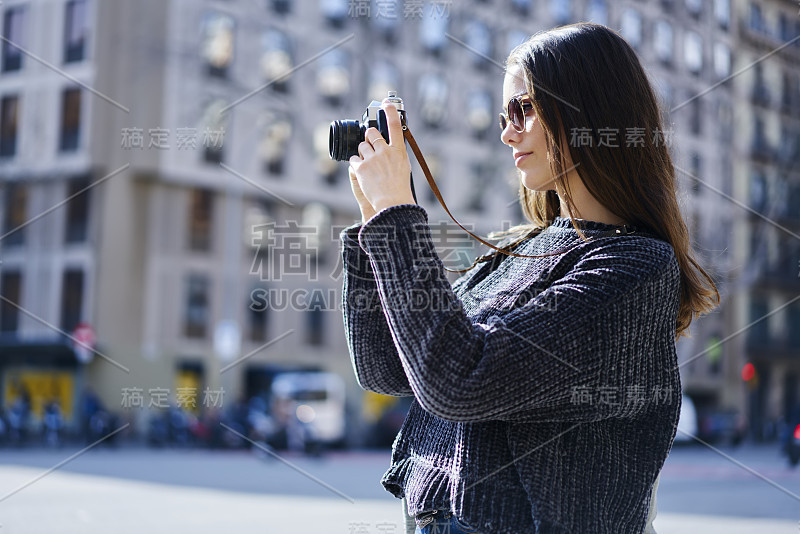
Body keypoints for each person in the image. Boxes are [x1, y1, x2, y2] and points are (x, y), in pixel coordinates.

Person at [340, 23, 719, 534]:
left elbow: (460, 379)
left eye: (524, 109)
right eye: (503, 115)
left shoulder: (635, 268)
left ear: (587, 110)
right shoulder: (518, 250)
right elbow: (387, 369)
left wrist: (396, 214)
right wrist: (373, 224)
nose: (507, 132)